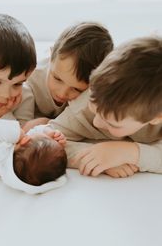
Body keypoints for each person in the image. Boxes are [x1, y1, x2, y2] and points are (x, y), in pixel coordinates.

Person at [47, 36, 162, 178]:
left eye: (112, 123)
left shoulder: (154, 107)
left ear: (156, 117)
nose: (96, 122)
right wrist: (97, 156)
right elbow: (44, 138)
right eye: (94, 108)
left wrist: (129, 152)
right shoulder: (86, 105)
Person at [26, 21, 113, 121]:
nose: (62, 93)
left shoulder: (91, 93)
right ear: (51, 57)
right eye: (57, 79)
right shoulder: (30, 76)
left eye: (77, 89)